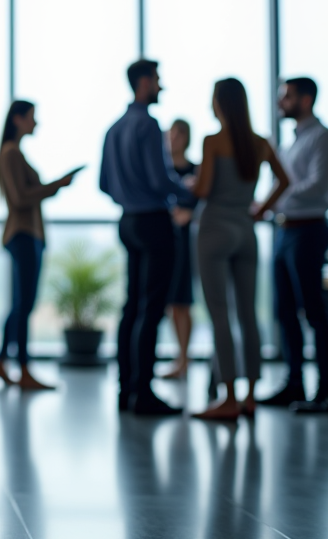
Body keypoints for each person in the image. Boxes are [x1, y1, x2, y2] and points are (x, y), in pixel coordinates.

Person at [99, 59, 196, 415]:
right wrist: (189, 193)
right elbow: (160, 181)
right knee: (152, 308)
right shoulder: (149, 126)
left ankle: (127, 391)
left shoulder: (114, 129)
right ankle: (145, 394)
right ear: (143, 82)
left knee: (131, 307)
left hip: (128, 222)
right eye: (157, 80)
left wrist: (130, 196)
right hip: (154, 222)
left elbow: (104, 184)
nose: (160, 86)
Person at [192, 78, 289, 421]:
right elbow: (285, 180)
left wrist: (191, 181)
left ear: (219, 103)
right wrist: (261, 208)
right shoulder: (260, 142)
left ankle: (228, 397)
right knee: (249, 315)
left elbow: (203, 189)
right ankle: (250, 396)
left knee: (220, 314)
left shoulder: (213, 141)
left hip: (215, 227)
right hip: (246, 231)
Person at [257, 77, 328, 413]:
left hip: (307, 231)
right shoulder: (292, 143)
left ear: (305, 100)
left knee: (315, 313)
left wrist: (274, 199)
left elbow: (317, 187)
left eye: (287, 96)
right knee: (284, 313)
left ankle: (324, 393)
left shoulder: (324, 139)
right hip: (284, 231)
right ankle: (293, 386)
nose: (281, 102)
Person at [0, 100, 78, 390]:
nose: (36, 123)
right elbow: (19, 198)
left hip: (26, 235)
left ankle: (2, 363)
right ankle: (24, 369)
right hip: (24, 235)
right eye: (32, 117)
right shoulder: (11, 153)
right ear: (18, 119)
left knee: (19, 305)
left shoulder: (13, 153)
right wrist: (56, 185)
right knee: (24, 305)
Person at [163, 119, 197, 380]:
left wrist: (190, 215)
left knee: (182, 302)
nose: (172, 139)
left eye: (177, 134)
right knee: (169, 304)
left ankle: (184, 359)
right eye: (170, 134)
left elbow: (202, 201)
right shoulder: (160, 170)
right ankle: (180, 357)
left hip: (187, 243)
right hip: (165, 240)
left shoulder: (196, 170)